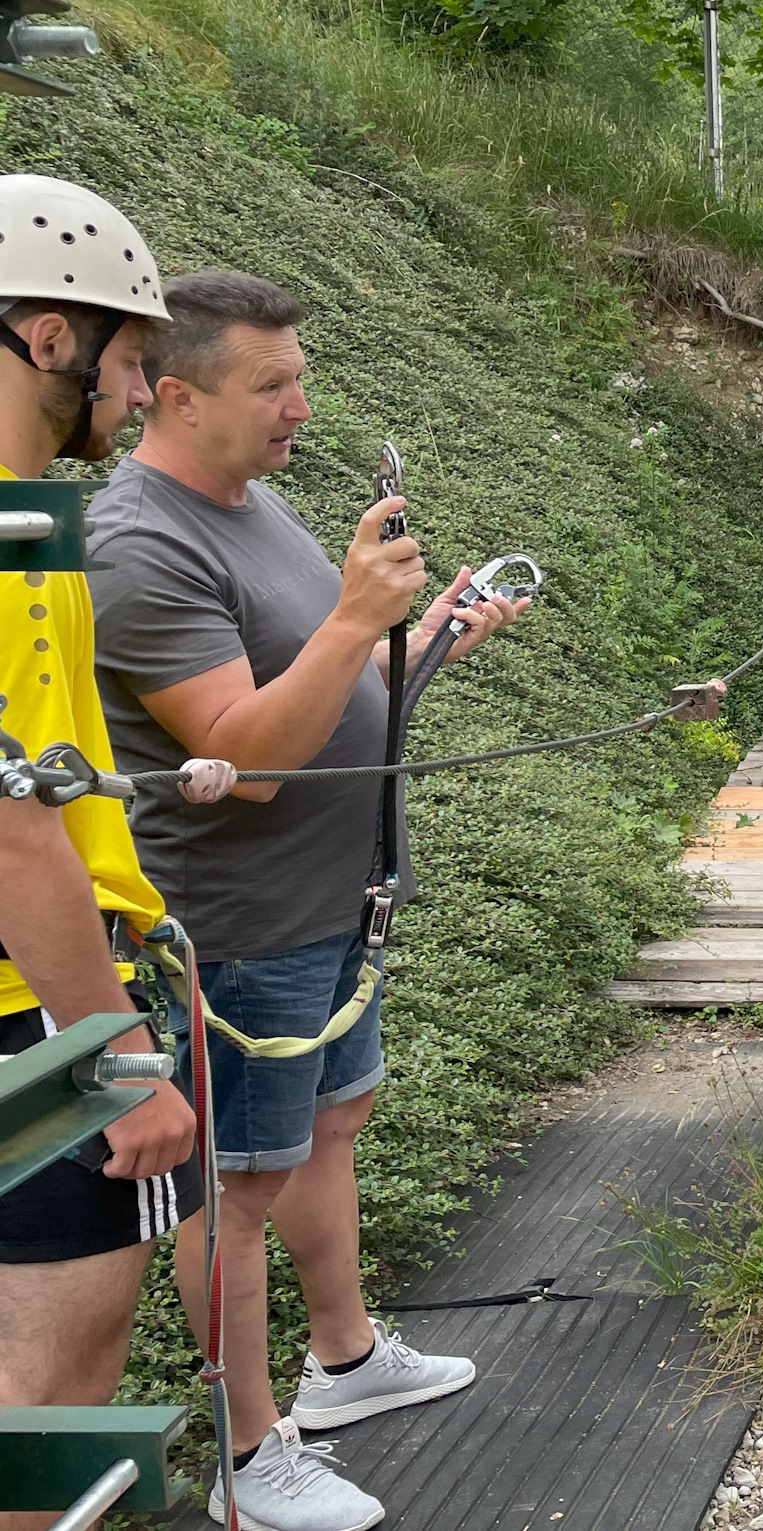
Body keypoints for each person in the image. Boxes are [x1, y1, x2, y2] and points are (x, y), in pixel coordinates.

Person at [85, 271, 529, 1529]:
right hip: (236, 930)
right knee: (237, 1185)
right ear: (175, 395)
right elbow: (247, 765)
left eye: (300, 377)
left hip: (334, 904)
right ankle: (246, 1449)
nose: (300, 407)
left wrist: (422, 631)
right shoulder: (140, 545)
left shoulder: (247, 500)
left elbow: (324, 679)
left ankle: (343, 1361)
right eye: (270, 384)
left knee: (333, 1124)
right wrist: (350, 620)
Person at [0, 176, 233, 1531]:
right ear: (48, 340)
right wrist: (120, 1054)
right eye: (135, 360)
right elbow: (15, 827)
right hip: (36, 1029)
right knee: (54, 1394)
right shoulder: (17, 539)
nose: (142, 393)